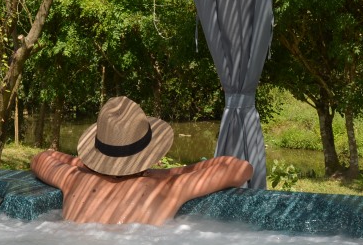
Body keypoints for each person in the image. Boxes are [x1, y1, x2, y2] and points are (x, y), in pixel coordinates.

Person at [30, 96, 252, 225]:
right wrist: (170, 173)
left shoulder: (73, 179)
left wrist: (83, 165)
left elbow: (42, 158)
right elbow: (240, 168)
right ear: (148, 153)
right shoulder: (167, 188)